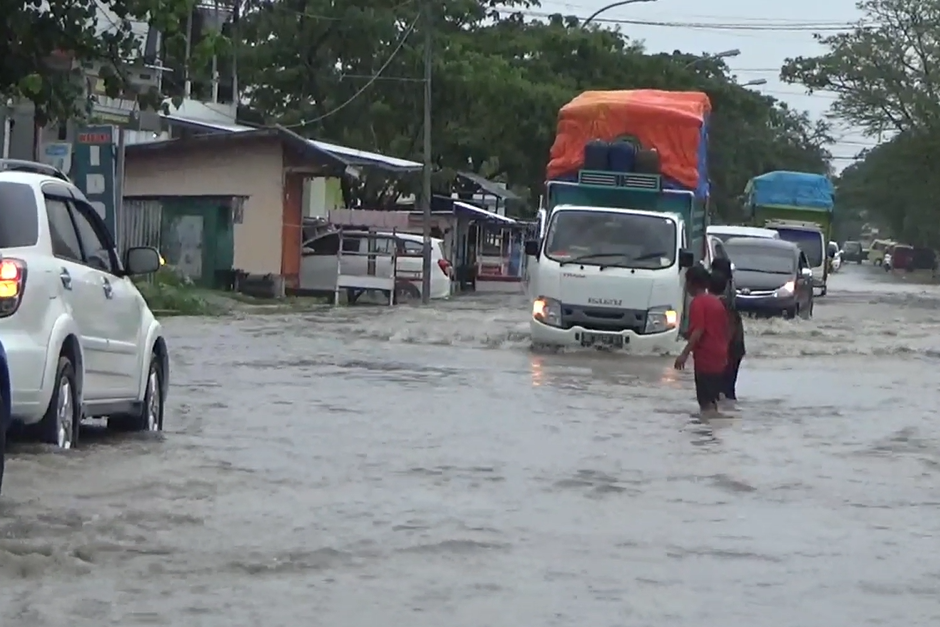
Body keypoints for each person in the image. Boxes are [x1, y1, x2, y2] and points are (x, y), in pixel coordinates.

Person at [674, 265, 728, 417]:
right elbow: (720, 330)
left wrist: (684, 354)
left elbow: (699, 331)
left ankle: (706, 433)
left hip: (706, 358)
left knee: (705, 403)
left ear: (692, 283)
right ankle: (713, 431)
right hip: (720, 357)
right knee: (712, 400)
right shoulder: (716, 302)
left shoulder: (697, 303)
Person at [708, 263, 746, 403]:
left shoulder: (724, 298)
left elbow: (729, 325)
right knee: (726, 388)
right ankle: (728, 414)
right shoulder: (730, 289)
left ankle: (721, 417)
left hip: (730, 347)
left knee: (722, 389)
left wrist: (723, 350)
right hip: (735, 345)